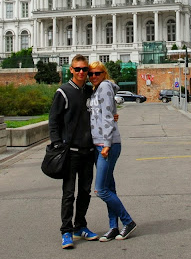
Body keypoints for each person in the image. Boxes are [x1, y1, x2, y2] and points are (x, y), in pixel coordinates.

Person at [48, 54, 99, 249]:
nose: (81, 72)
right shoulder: (63, 92)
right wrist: (57, 144)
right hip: (70, 151)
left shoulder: (90, 91)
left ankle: (80, 226)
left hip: (88, 151)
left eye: (84, 69)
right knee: (69, 193)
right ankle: (66, 231)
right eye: (77, 69)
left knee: (85, 191)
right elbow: (53, 121)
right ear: (71, 70)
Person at [88, 61, 137, 242]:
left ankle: (128, 221)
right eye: (91, 74)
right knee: (109, 187)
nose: (93, 76)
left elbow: (108, 116)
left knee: (101, 190)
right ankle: (113, 227)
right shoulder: (95, 90)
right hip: (98, 143)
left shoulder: (104, 87)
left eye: (97, 73)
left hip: (106, 144)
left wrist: (107, 144)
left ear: (104, 74)